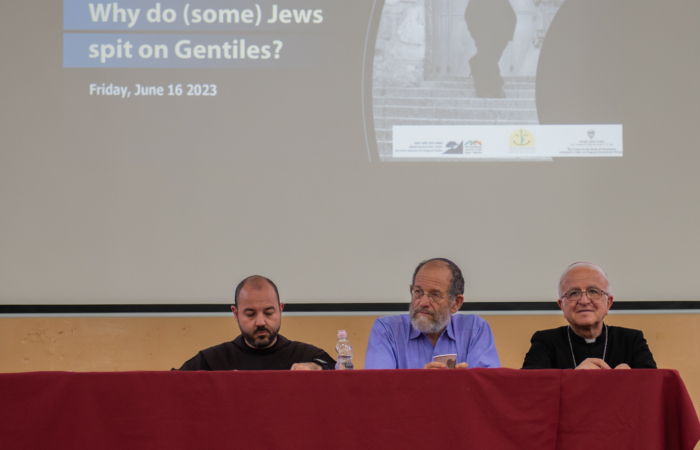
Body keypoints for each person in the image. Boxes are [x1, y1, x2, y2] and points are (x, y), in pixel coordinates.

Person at [364, 258, 500, 369]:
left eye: (435, 295)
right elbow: (377, 389)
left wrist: (463, 383)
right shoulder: (387, 330)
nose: (423, 302)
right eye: (418, 292)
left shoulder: (476, 329)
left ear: (456, 303)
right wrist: (422, 383)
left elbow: (488, 389)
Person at [178, 275, 335, 371]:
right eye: (250, 314)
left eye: (268, 313)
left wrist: (317, 367)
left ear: (280, 310)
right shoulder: (213, 361)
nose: (260, 322)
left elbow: (345, 381)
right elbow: (170, 385)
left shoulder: (307, 356)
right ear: (236, 313)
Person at [522, 262, 656, 370]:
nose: (584, 301)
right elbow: (530, 388)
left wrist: (635, 379)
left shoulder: (632, 341)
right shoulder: (545, 342)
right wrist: (574, 377)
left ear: (608, 303)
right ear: (561, 305)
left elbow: (654, 389)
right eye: (573, 293)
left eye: (593, 291)